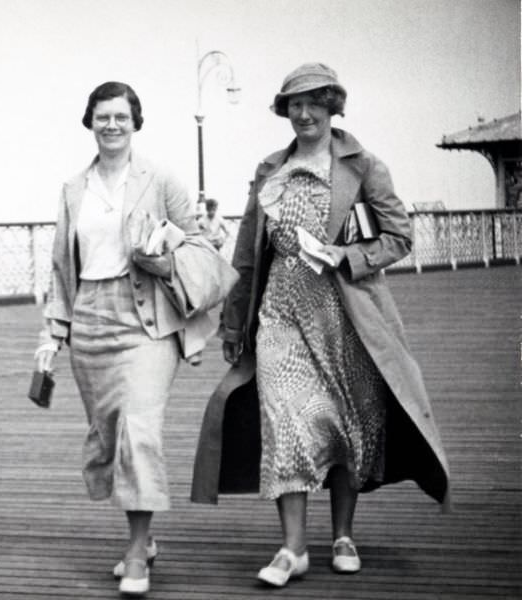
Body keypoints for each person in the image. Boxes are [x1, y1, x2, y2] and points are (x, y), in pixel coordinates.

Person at [190, 63, 451, 588]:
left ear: (334, 105)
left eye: (314, 103)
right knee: (285, 420)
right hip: (281, 311)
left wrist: (348, 254)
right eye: (293, 104)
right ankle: (292, 548)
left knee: (346, 422)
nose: (304, 113)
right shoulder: (270, 170)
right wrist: (234, 323)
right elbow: (246, 254)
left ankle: (343, 535)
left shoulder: (363, 165)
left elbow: (399, 237)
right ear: (284, 111)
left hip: (347, 315)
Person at [35, 81, 206, 598]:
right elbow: (64, 267)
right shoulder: (73, 188)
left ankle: (135, 554)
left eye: (121, 117)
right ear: (89, 122)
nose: (112, 125)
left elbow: (201, 242)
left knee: (139, 430)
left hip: (146, 318)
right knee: (110, 435)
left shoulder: (160, 179)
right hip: (90, 317)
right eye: (102, 117)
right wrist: (52, 332)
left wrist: (164, 253)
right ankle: (144, 535)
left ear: (136, 122)